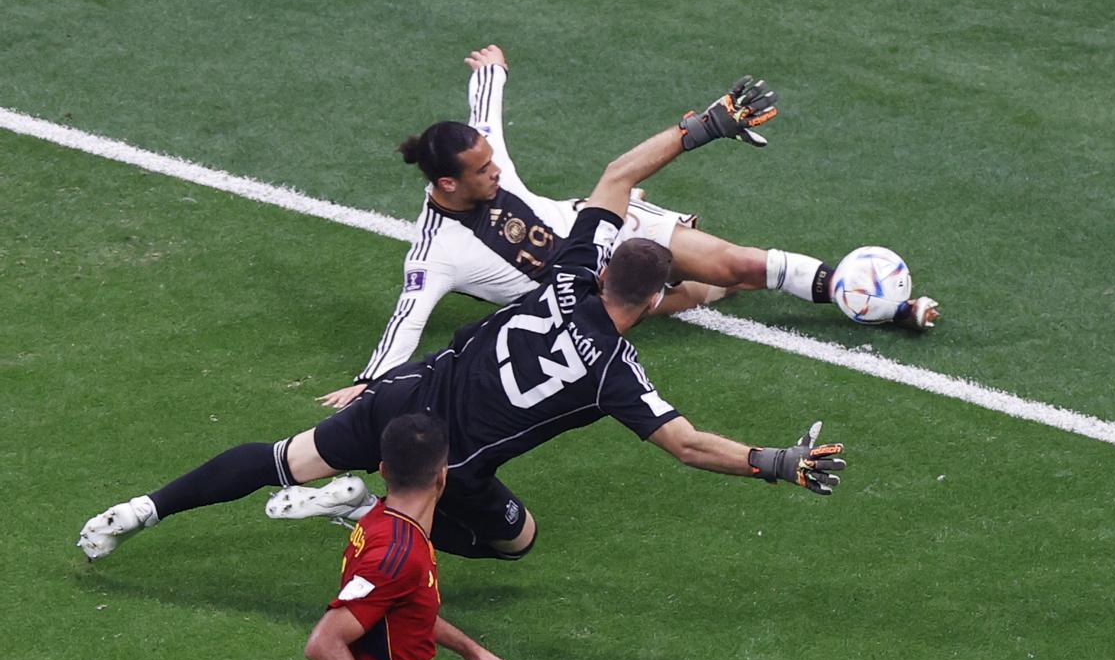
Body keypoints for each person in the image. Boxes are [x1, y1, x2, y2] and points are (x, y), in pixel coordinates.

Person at [78, 75, 847, 566]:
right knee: (516, 540)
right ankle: (366, 505)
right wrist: (774, 461)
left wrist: (706, 124)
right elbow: (688, 445)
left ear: (607, 268)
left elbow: (618, 175)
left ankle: (144, 508)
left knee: (280, 456)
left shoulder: (569, 273)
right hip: (450, 457)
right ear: (652, 302)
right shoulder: (614, 374)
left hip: (403, 398)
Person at [318, 45, 939, 410]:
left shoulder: (481, 154)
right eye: (481, 171)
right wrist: (368, 384)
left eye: (490, 161)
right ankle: (714, 281)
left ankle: (886, 306)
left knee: (740, 264)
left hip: (607, 224)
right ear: (447, 184)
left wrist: (493, 66)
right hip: (592, 299)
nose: (495, 171)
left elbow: (486, 107)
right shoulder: (435, 254)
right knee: (714, 289)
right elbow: (408, 319)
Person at [305, 413, 518, 660]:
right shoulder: (399, 555)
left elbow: (402, 606)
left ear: (383, 470)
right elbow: (323, 645)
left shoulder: (382, 522)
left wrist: (471, 650)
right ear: (442, 475)